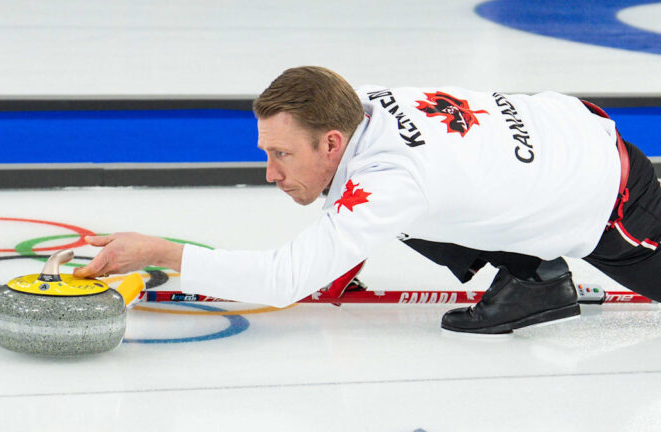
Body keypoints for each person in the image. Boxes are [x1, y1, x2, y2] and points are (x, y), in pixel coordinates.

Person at [73, 66, 661, 334]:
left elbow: (283, 281)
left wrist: (162, 251)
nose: (271, 173)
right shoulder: (362, 107)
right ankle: (534, 277)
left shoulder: (391, 180)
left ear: (330, 140)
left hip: (612, 200)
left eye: (282, 155)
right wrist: (340, 259)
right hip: (569, 134)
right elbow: (353, 194)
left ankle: (536, 276)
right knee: (374, 202)